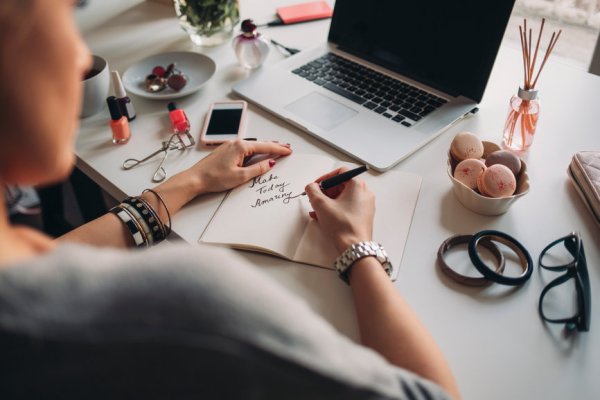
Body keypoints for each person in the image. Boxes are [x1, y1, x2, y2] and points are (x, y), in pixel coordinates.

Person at [0, 1, 460, 399]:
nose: (81, 53)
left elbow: (49, 266)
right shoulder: (190, 309)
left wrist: (188, 183)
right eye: (65, 12)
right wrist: (358, 248)